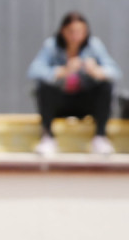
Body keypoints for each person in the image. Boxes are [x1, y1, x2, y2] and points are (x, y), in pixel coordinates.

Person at [27, 11, 121, 156]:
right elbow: (34, 71)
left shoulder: (94, 46)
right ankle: (48, 138)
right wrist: (62, 71)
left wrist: (96, 71)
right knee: (42, 87)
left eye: (80, 32)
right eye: (71, 32)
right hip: (60, 102)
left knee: (105, 86)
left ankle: (100, 137)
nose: (75, 36)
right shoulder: (51, 46)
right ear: (62, 31)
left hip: (86, 102)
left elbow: (115, 72)